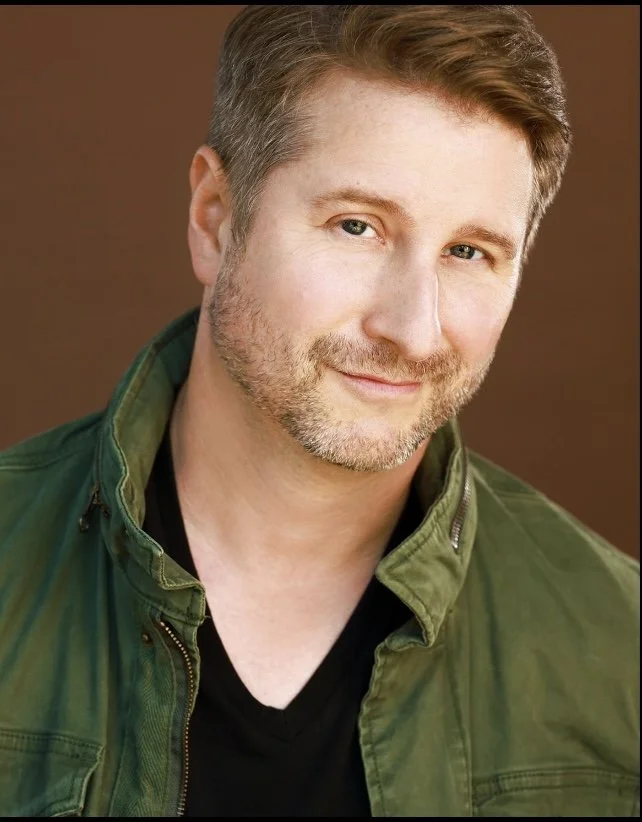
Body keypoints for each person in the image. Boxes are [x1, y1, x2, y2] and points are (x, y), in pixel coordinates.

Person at [0, 4, 638, 818]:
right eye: (358, 226)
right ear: (215, 218)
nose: (412, 328)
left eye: (469, 251)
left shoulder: (621, 656)